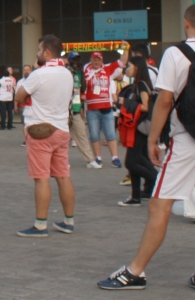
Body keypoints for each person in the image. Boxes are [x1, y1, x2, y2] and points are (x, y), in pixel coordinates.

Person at [98, 4, 195, 290]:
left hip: (187, 139)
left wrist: (153, 139)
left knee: (159, 204)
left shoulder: (177, 54)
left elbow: (164, 101)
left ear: (186, 22)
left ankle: (136, 271)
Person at [15, 35, 76, 238]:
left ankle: (40, 224)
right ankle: (68, 221)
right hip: (62, 129)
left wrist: (34, 70)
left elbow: (19, 96)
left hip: (40, 131)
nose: (37, 54)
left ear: (47, 52)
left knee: (41, 179)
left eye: (39, 50)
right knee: (63, 176)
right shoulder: (67, 73)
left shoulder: (39, 74)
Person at [117, 57, 157, 206]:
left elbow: (146, 106)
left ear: (137, 67)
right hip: (136, 126)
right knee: (138, 160)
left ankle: (157, 180)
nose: (127, 69)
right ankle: (135, 196)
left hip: (140, 126)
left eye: (129, 66)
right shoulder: (137, 84)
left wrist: (126, 102)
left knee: (131, 162)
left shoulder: (141, 84)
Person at [84, 52, 121, 167]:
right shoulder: (86, 69)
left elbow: (122, 62)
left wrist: (125, 49)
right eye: (94, 60)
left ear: (102, 61)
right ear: (90, 60)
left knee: (110, 134)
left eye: (98, 60)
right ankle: (98, 158)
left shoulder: (107, 69)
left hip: (106, 107)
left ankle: (115, 158)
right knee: (94, 135)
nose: (96, 62)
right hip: (92, 107)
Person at [66, 53, 99, 168]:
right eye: (74, 60)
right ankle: (62, 161)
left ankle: (90, 160)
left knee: (82, 134)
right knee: (63, 137)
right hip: (64, 109)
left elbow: (79, 91)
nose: (76, 62)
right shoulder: (65, 72)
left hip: (75, 108)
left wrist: (80, 107)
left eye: (77, 60)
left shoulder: (80, 73)